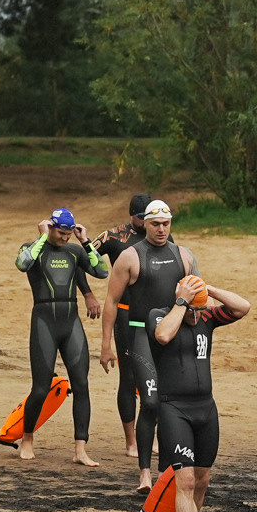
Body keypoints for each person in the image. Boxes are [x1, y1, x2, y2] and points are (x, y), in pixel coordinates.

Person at [147, 273, 253, 512]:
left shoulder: (206, 318)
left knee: (202, 479)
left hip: (205, 408)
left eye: (199, 310)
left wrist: (210, 290)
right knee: (185, 480)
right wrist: (183, 302)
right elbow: (163, 335)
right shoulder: (160, 315)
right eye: (193, 310)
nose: (196, 316)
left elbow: (243, 307)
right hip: (174, 408)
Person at [102, 198, 198, 492]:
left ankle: (171, 468)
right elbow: (111, 302)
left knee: (173, 404)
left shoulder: (184, 255)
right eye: (155, 224)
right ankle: (144, 473)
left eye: (166, 224)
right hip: (140, 335)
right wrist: (105, 345)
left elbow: (197, 297)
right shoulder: (130, 256)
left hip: (174, 336)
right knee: (152, 402)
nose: (161, 230)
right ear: (144, 222)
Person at [11, 206, 104, 465]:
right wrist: (42, 237)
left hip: (71, 322)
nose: (65, 238)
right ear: (51, 228)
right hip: (44, 322)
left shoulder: (75, 251)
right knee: (40, 388)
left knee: (82, 385)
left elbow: (102, 270)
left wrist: (85, 241)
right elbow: (22, 264)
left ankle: (80, 450)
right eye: (61, 233)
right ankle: (27, 438)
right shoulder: (32, 248)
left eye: (69, 234)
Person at [94, 193, 153, 460]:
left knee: (154, 378)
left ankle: (149, 436)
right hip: (126, 315)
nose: (150, 223)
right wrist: (87, 294)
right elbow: (83, 259)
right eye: (143, 217)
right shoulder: (115, 236)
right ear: (132, 215)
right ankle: (131, 442)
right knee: (129, 378)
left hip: (153, 316)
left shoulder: (162, 237)